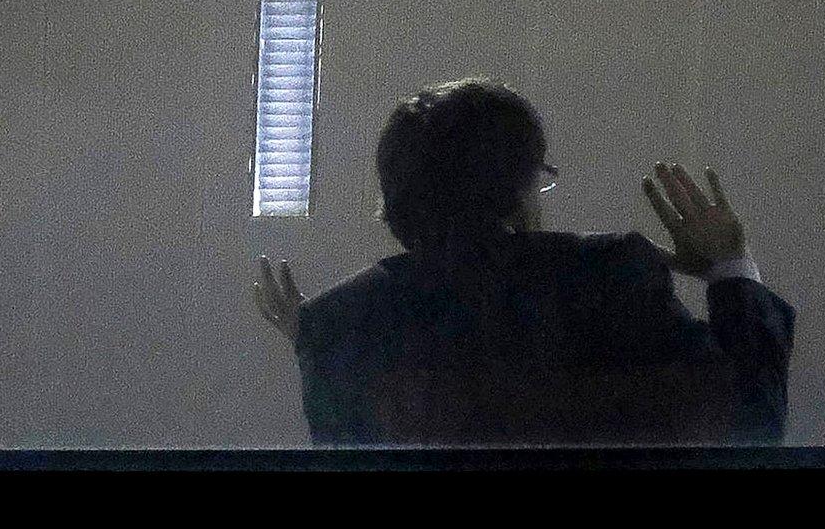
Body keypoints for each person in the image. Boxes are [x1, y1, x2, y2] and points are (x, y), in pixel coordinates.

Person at [253, 77, 795, 446]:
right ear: (517, 189)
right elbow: (748, 425)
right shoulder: (613, 273)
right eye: (541, 178)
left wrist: (324, 337)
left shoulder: (336, 325)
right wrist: (730, 265)